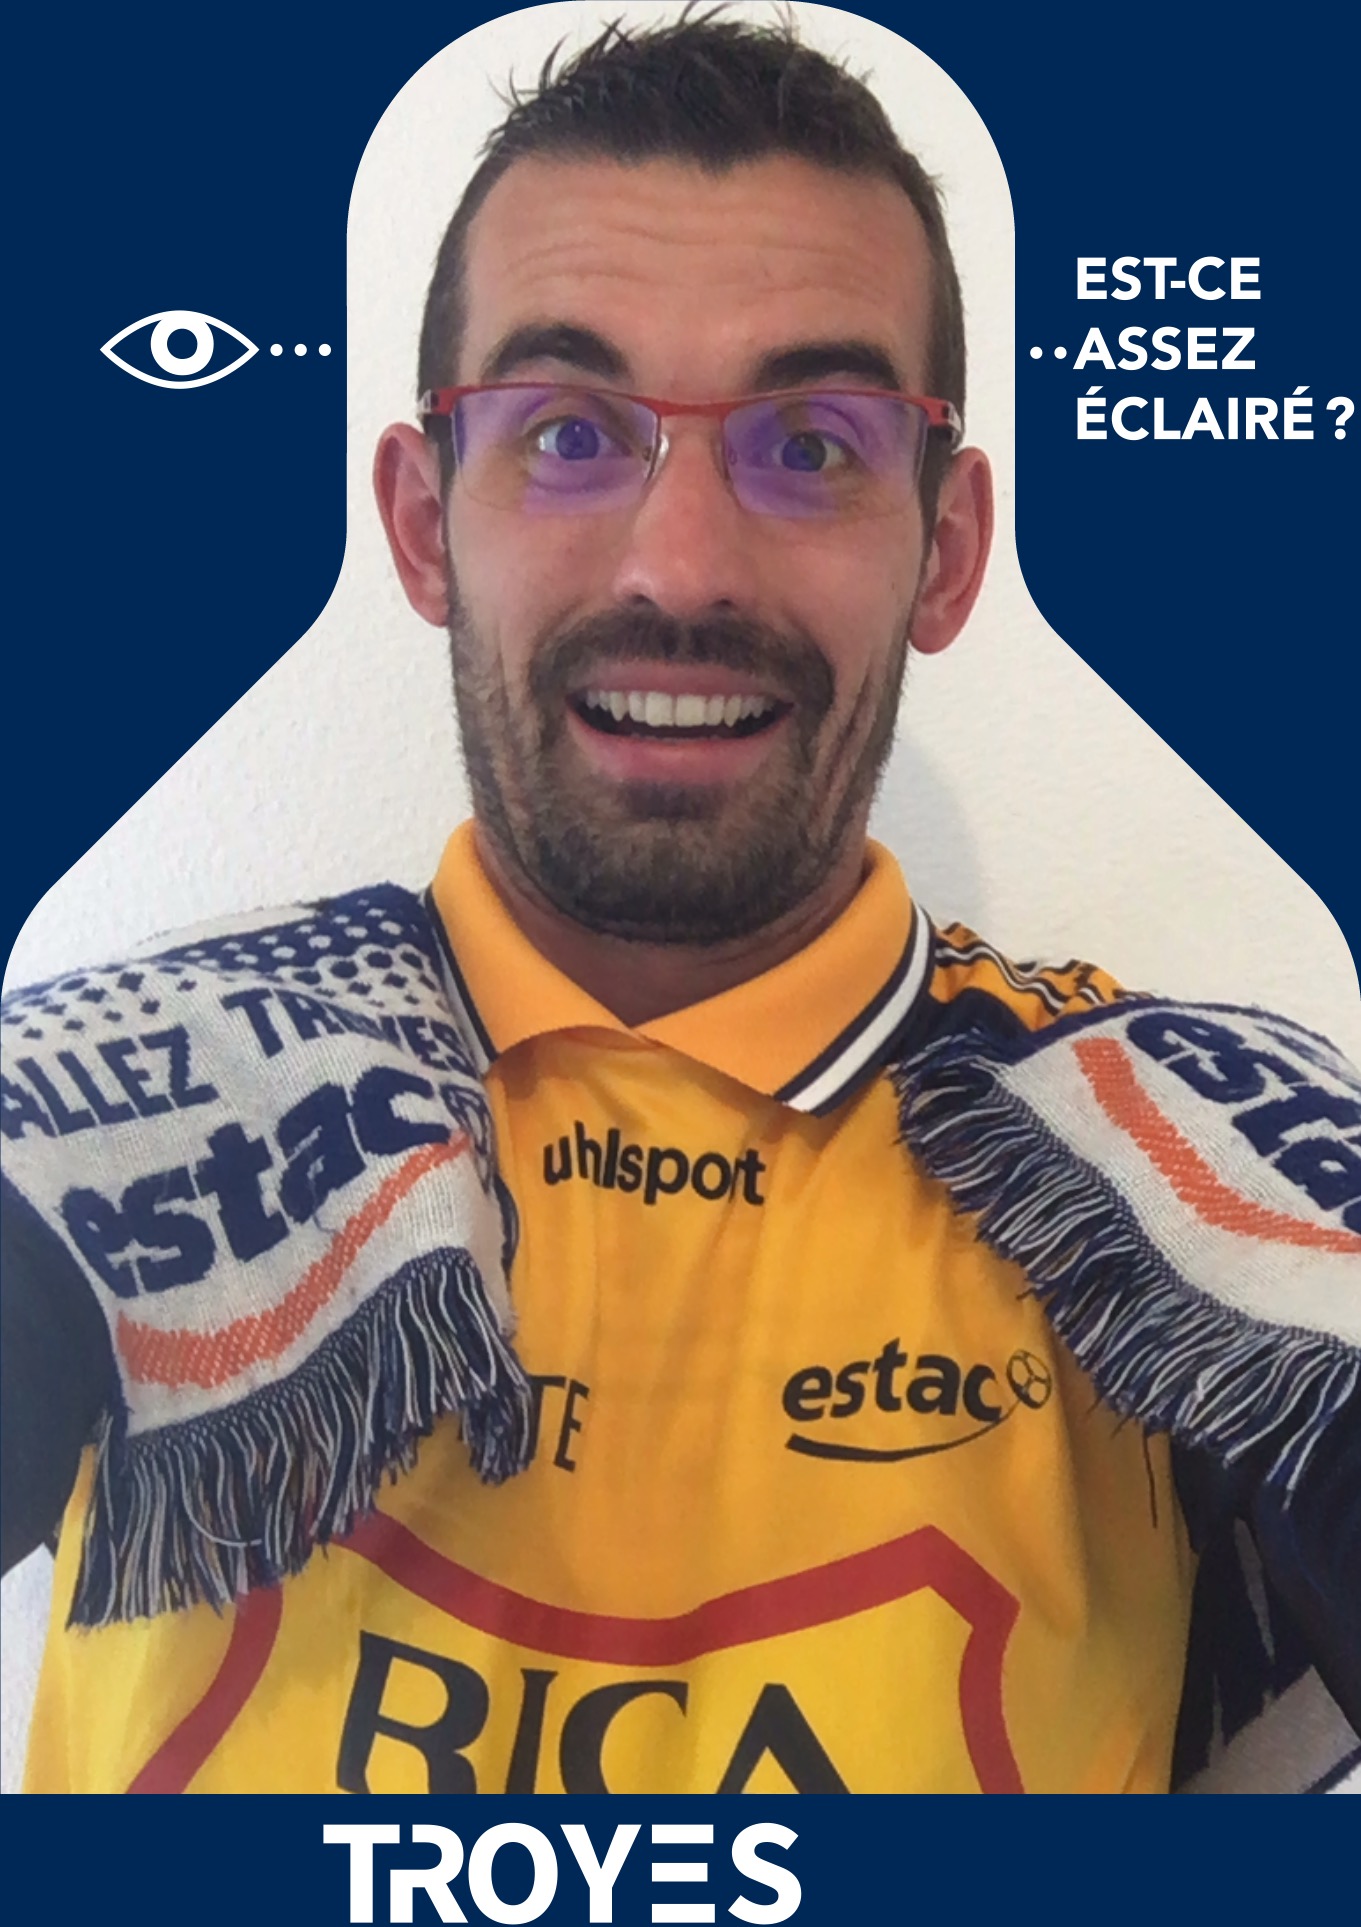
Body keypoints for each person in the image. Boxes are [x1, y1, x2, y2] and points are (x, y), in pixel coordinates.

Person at [2, 12, 1357, 1794]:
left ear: (944, 549)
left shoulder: (1221, 1180)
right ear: (420, 522)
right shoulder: (111, 1111)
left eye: (813, 443)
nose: (681, 564)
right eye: (568, 429)